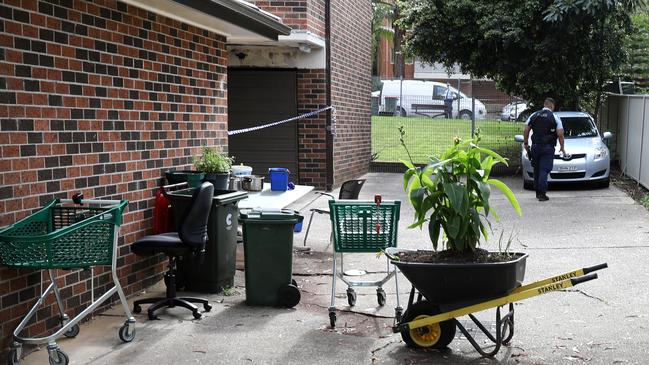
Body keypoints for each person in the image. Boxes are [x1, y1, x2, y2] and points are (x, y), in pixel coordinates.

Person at [523, 97, 566, 201]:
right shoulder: (554, 117)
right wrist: (562, 147)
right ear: (551, 106)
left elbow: (526, 129)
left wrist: (526, 143)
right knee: (544, 169)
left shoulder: (534, 115)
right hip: (548, 147)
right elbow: (560, 134)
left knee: (537, 169)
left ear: (544, 105)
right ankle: (542, 194)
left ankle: (537, 192)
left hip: (535, 147)